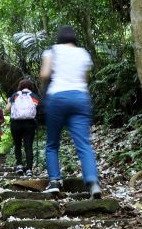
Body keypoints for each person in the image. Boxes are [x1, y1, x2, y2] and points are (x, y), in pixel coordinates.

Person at [40, 26, 101, 198]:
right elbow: (85, 78)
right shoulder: (83, 53)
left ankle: (54, 181)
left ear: (58, 38)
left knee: (52, 143)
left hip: (57, 98)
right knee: (83, 144)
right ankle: (93, 182)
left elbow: (44, 74)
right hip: (80, 98)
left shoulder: (51, 51)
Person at [6, 79, 40, 176]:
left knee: (18, 145)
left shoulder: (15, 95)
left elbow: (7, 109)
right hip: (29, 124)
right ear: (31, 87)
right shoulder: (34, 96)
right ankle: (29, 169)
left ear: (20, 86)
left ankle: (19, 165)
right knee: (28, 146)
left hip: (16, 123)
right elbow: (38, 109)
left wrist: (9, 101)